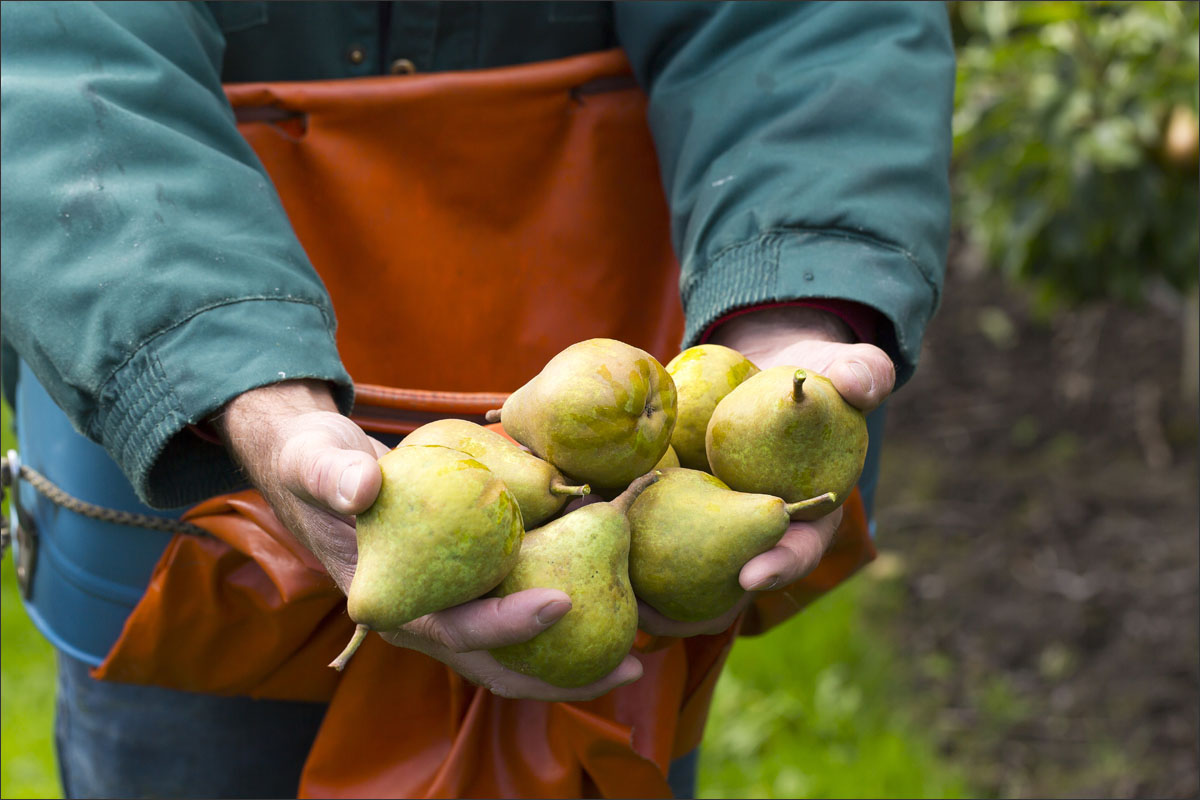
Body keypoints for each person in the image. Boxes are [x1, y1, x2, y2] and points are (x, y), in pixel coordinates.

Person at [0, 2, 954, 797]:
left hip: (626, 508)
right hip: (191, 523)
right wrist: (213, 370)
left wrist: (795, 287)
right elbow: (54, 53)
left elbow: (809, 24)